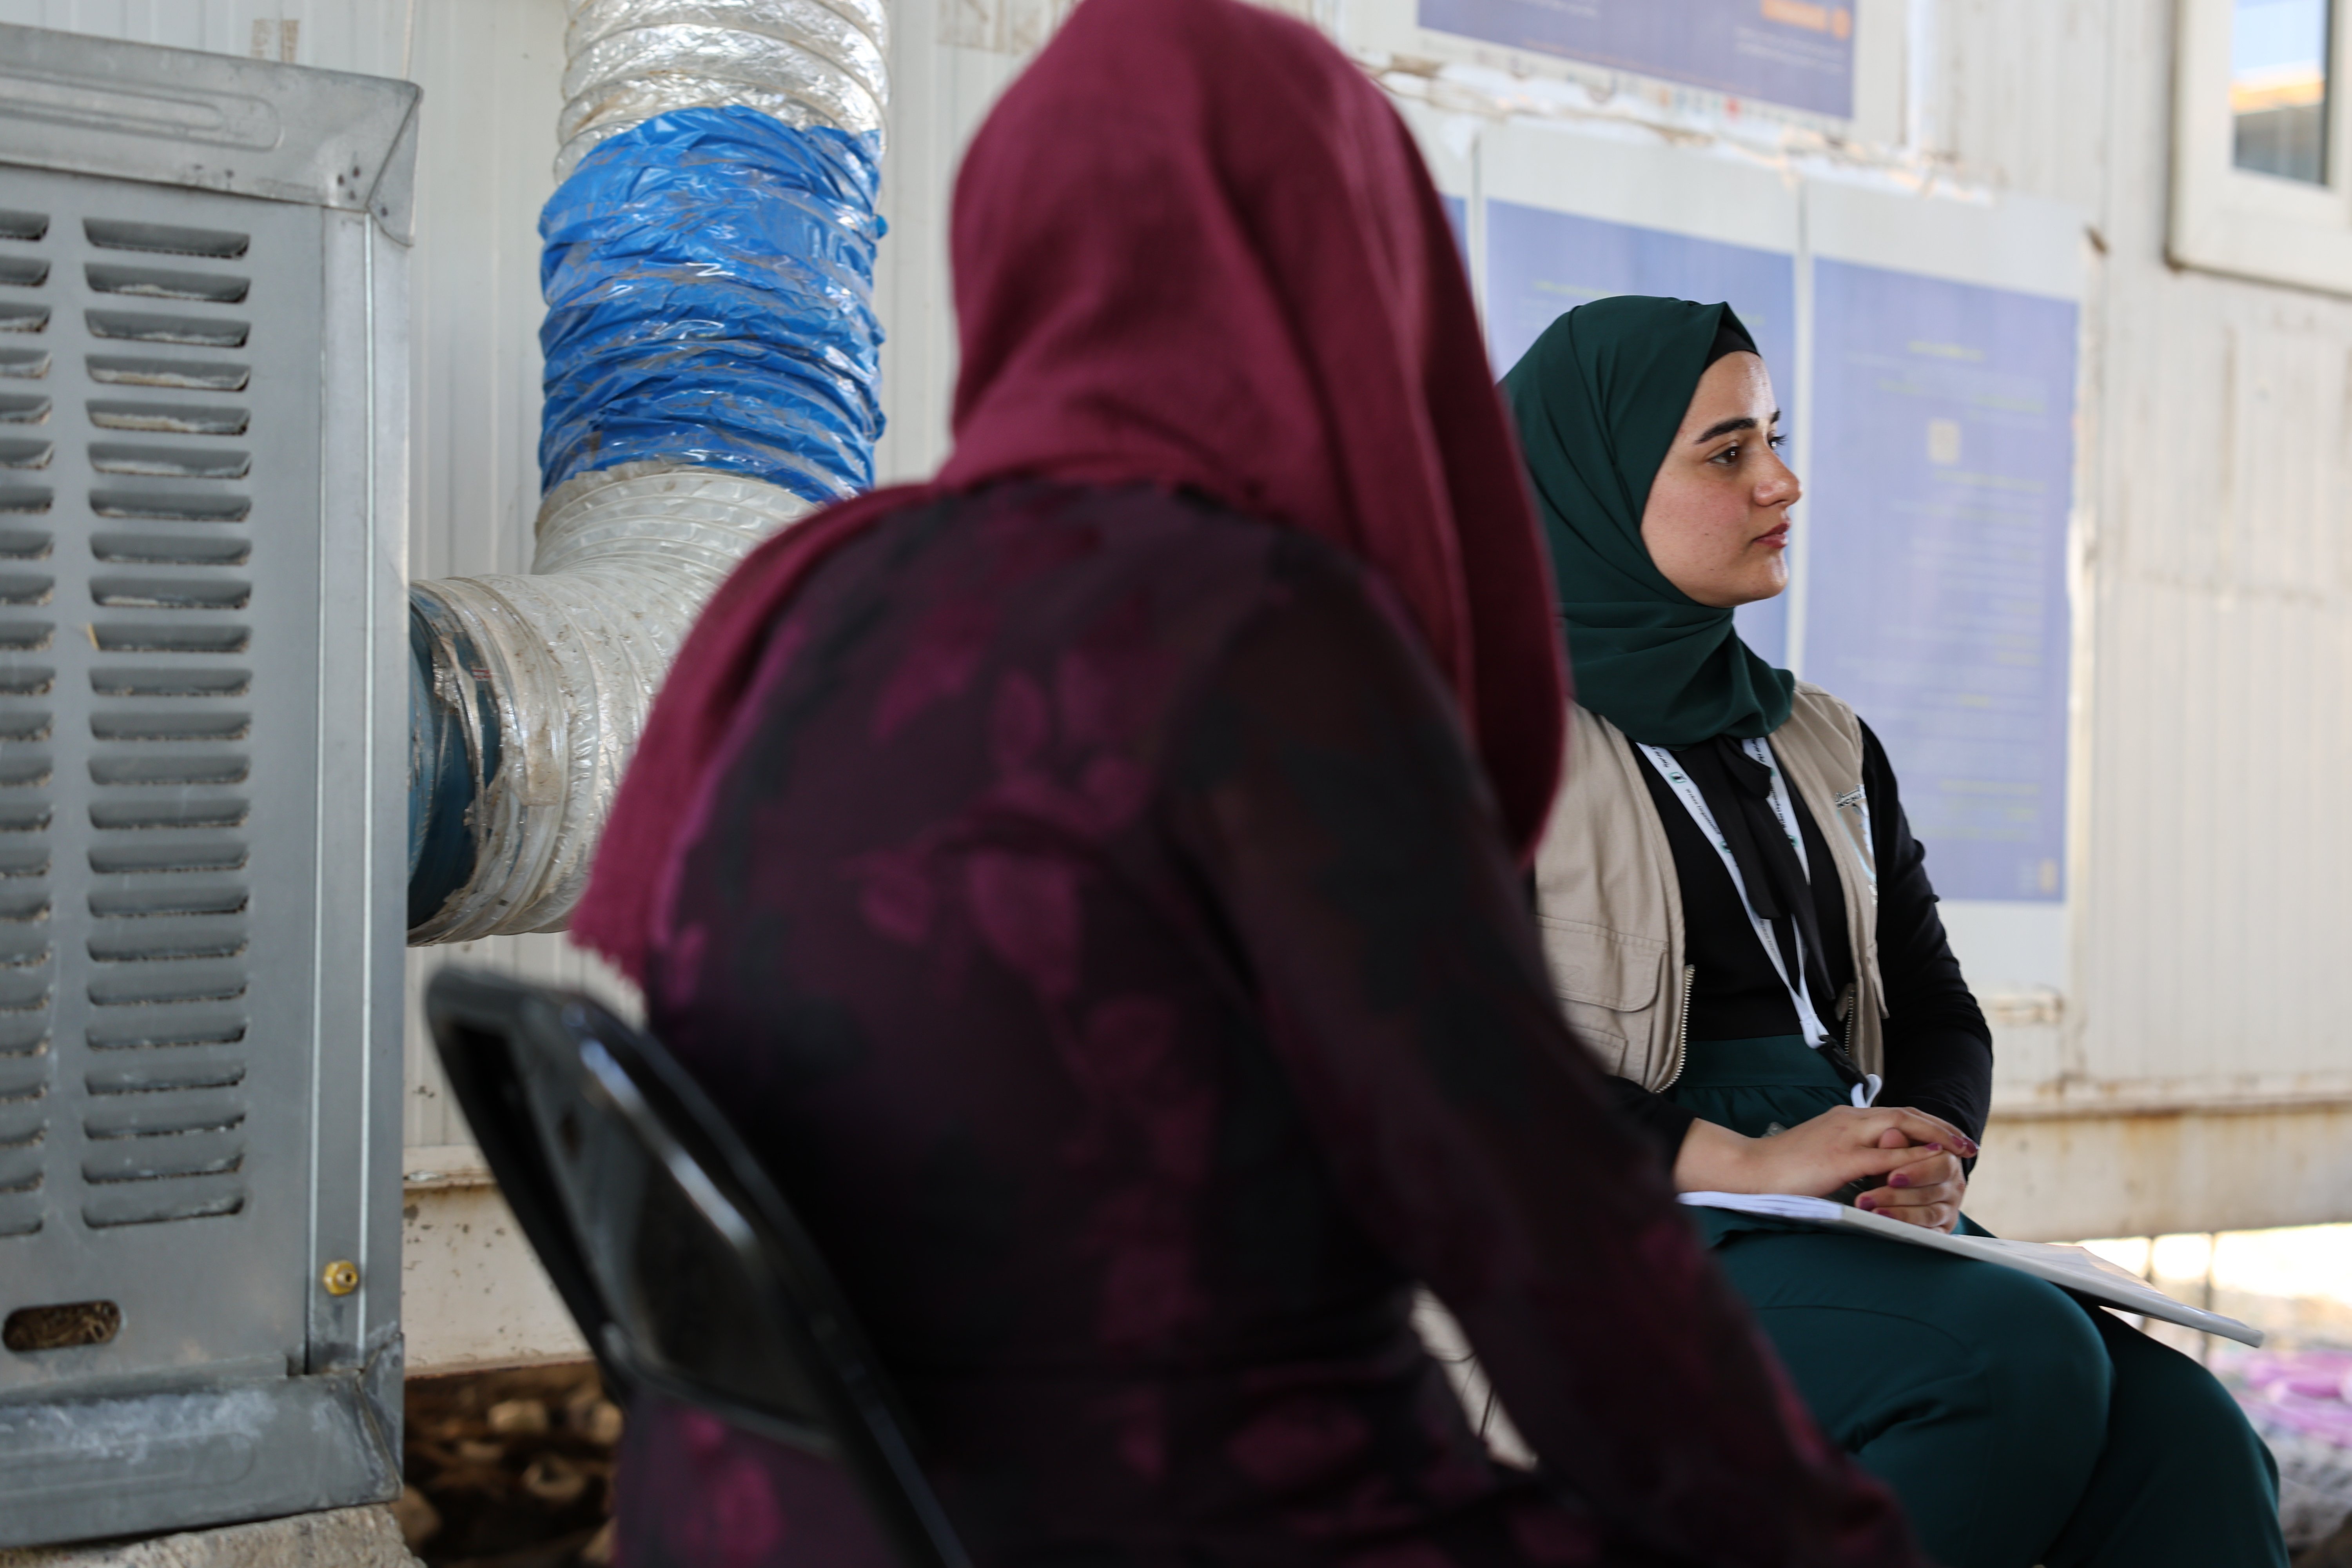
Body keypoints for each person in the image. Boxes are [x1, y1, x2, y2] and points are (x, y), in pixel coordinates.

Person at [567, 0, 1936, 1561]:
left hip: (761, 1516)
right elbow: (1543, 1231)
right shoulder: (1262, 639)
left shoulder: (804, 596)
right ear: (1352, 283)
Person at [1504, 294, 2287, 1568]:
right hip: (1604, 1209)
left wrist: (1934, 1146)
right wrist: (1746, 1160)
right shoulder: (1471, 740)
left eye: (1774, 438)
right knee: (2000, 1361)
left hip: (1835, 1190)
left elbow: (1933, 1003)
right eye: (1726, 453)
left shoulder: (1821, 738)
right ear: (1589, 487)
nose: (1782, 480)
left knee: (2191, 1435)